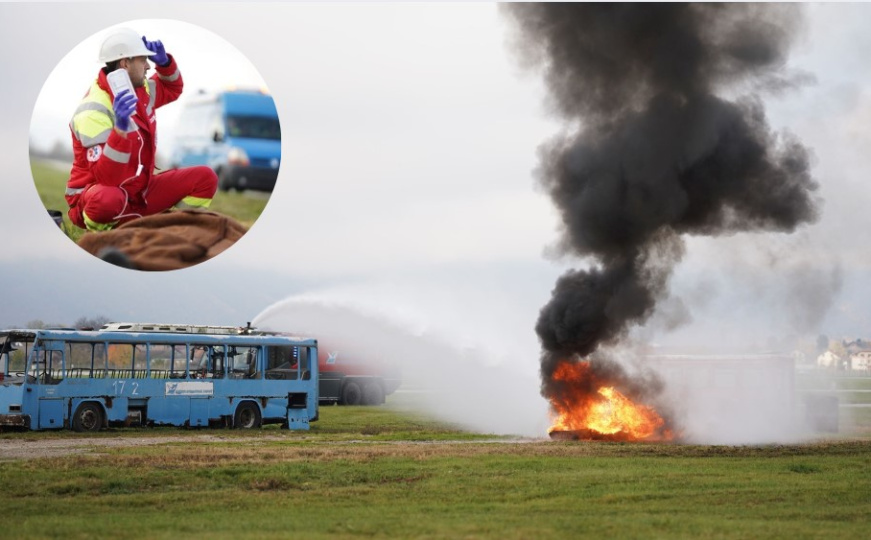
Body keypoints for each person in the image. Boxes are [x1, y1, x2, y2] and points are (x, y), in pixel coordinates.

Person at [65, 28, 218, 231]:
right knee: (107, 199)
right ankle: (105, 233)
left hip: (138, 193)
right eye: (143, 60)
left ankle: (175, 228)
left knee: (205, 178)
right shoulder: (93, 111)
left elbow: (172, 88)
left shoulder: (140, 89)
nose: (148, 66)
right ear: (125, 63)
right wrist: (120, 130)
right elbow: (107, 178)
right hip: (98, 197)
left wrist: (165, 64)